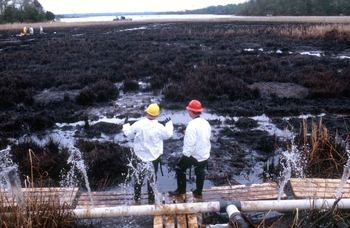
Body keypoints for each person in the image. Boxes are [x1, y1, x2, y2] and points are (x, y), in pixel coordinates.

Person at [123, 103, 173, 203]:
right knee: (152, 179)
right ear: (157, 115)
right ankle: (151, 199)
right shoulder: (159, 127)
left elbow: (128, 134)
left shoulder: (139, 124)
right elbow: (168, 134)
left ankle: (137, 198)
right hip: (154, 158)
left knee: (138, 177)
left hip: (140, 157)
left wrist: (126, 124)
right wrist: (169, 124)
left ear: (147, 112)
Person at [169, 99, 211, 198]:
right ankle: (198, 192)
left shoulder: (192, 125)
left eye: (188, 110)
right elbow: (206, 137)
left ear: (191, 112)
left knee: (180, 169)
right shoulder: (205, 122)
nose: (188, 111)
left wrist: (185, 155)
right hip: (204, 153)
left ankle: (181, 191)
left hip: (194, 154)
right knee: (200, 171)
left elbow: (190, 143)